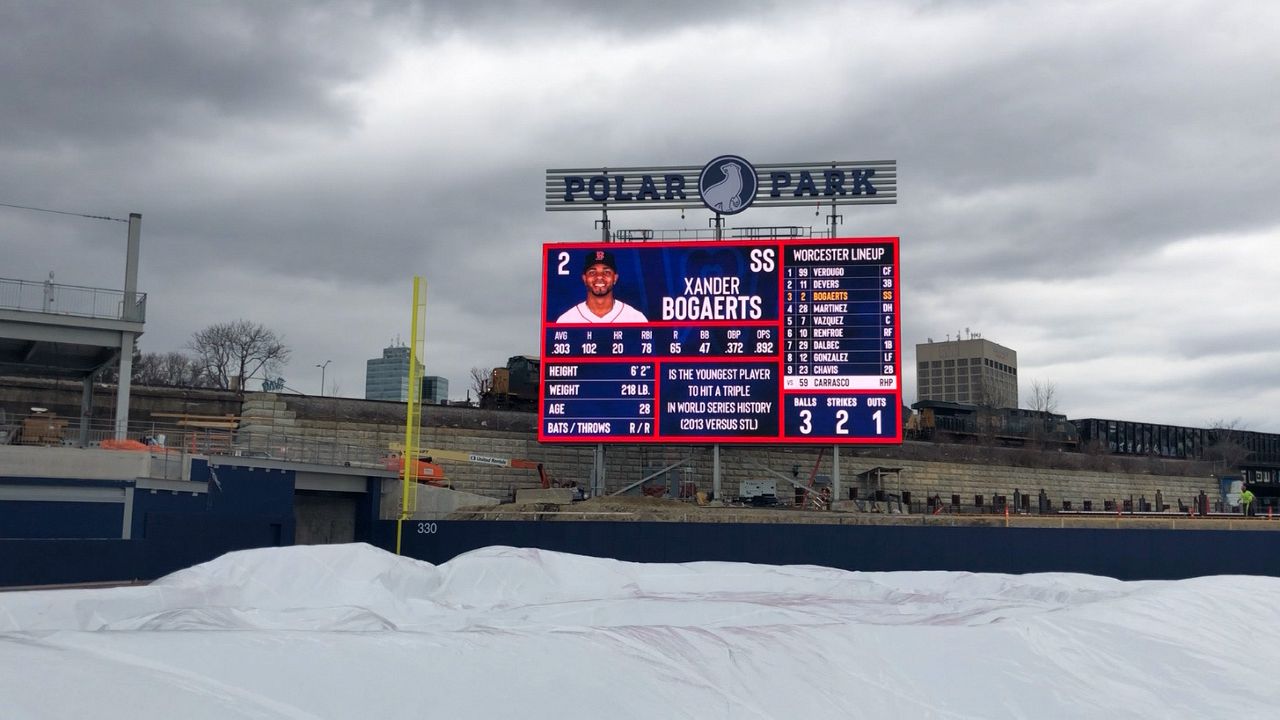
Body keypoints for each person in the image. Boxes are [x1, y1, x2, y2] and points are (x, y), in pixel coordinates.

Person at [555, 249, 648, 323]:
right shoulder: (566, 319)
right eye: (592, 272)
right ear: (584, 279)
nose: (599, 276)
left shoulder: (636, 318)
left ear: (615, 278)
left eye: (606, 272)